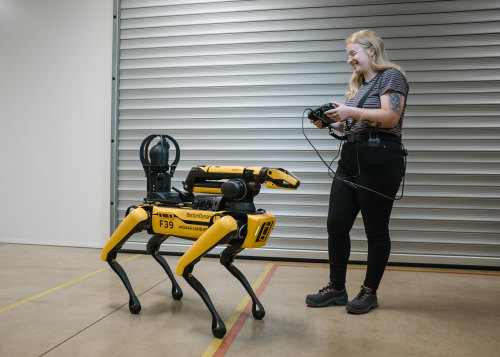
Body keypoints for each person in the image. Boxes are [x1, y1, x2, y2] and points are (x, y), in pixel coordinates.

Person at [305, 29, 409, 314]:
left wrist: (351, 112)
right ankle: (337, 289)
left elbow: (390, 118)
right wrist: (331, 121)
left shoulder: (391, 76)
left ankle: (368, 292)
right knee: (336, 225)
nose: (349, 59)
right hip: (351, 157)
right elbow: (354, 124)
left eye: (353, 53)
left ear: (371, 50)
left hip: (380, 157)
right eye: (348, 55)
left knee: (375, 231)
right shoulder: (361, 87)